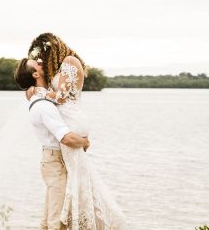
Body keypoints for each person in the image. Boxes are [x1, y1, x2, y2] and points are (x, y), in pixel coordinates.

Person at [25, 33, 128, 230]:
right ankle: (74, 221)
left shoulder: (70, 61)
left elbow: (62, 97)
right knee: (74, 178)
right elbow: (52, 93)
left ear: (50, 50)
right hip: (64, 120)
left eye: (42, 57)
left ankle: (81, 221)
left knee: (74, 179)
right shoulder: (60, 66)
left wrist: (40, 92)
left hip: (71, 120)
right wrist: (33, 90)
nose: (42, 61)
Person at [14, 58, 90, 230]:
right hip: (54, 160)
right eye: (38, 64)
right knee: (57, 219)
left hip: (52, 159)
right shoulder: (43, 106)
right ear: (35, 74)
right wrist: (84, 141)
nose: (42, 63)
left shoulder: (40, 97)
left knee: (49, 217)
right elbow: (66, 138)